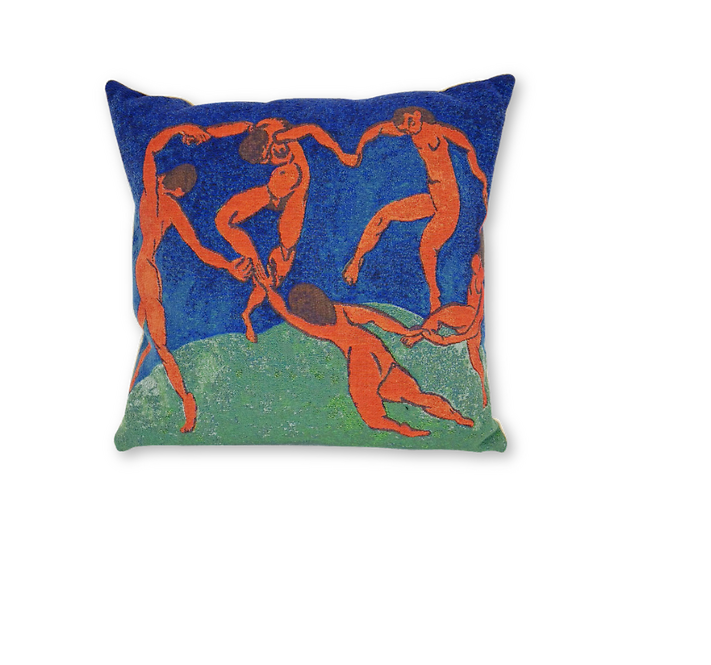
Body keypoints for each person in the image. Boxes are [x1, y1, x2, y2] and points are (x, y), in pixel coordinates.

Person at [185, 117, 359, 342]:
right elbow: (225, 129)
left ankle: (248, 312)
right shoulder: (255, 129)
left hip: (294, 197)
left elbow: (312, 129)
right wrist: (202, 132)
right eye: (263, 161)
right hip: (272, 191)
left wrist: (341, 153)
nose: (268, 162)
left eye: (267, 157)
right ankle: (255, 263)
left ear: (269, 144)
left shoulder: (281, 136)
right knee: (223, 219)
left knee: (277, 271)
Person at [129, 123, 253, 432]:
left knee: (159, 345)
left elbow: (199, 249)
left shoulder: (162, 201)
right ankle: (138, 391)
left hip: (148, 273)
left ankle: (186, 399)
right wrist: (182, 127)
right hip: (147, 273)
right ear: (177, 188)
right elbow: (151, 148)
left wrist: (228, 265)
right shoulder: (159, 198)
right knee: (151, 343)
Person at [253, 269, 474, 437]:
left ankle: (404, 430)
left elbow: (283, 311)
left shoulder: (314, 326)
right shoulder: (341, 310)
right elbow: (375, 318)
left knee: (373, 418)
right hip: (379, 352)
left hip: (361, 359)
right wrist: (405, 330)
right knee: (417, 397)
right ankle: (457, 417)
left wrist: (268, 288)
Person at [343, 107, 488, 314]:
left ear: (418, 115)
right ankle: (356, 261)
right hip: (432, 198)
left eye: (411, 122)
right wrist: (358, 151)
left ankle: (435, 298)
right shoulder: (410, 130)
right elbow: (378, 130)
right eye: (405, 128)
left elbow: (467, 147)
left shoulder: (438, 131)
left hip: (449, 205)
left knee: (427, 248)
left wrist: (481, 177)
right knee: (384, 215)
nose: (409, 129)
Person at [401, 250, 487, 406]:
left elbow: (477, 319)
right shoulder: (476, 275)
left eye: (477, 261)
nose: (473, 262)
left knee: (441, 316)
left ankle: (417, 336)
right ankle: (483, 393)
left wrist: (448, 339)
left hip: (470, 318)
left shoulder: (479, 280)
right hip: (470, 321)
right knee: (474, 357)